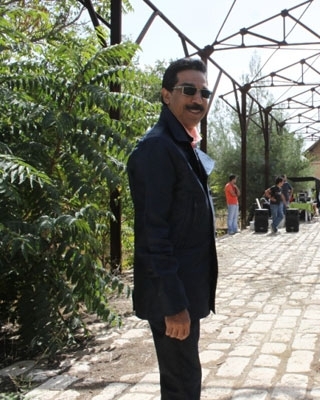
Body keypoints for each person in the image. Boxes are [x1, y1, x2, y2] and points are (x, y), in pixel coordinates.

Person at [126, 57, 218, 399]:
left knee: (183, 377)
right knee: (182, 382)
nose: (198, 99)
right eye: (188, 90)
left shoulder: (181, 145)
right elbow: (153, 234)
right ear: (167, 95)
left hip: (185, 289)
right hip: (174, 296)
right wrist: (173, 305)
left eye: (204, 92)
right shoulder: (158, 148)